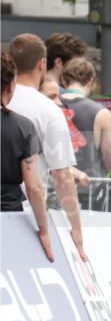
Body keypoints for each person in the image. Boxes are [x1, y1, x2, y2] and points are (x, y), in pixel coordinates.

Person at [8, 33, 87, 260]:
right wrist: (76, 228)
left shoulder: (6, 100)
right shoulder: (49, 111)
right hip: (27, 216)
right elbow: (62, 176)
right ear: (42, 64)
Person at [1, 52, 54, 261]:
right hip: (8, 218)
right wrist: (43, 230)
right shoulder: (23, 128)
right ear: (11, 86)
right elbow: (34, 187)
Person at [59, 58, 111, 179]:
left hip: (53, 187)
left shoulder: (49, 105)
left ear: (63, 80)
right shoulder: (101, 113)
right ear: (90, 80)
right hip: (89, 188)